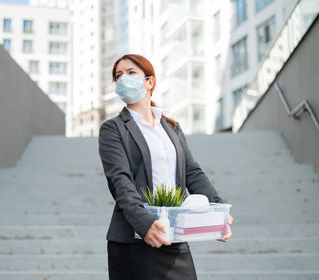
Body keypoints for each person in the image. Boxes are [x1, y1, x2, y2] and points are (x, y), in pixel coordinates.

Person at [98, 54, 233, 280]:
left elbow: (192, 172)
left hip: (174, 234)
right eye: (118, 76)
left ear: (150, 82)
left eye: (131, 73)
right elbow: (121, 181)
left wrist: (218, 212)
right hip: (136, 239)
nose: (123, 79)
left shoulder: (171, 127)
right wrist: (145, 224)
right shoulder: (113, 129)